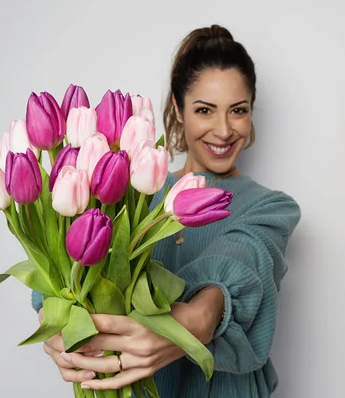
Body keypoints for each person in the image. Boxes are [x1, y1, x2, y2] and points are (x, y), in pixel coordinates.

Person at [32, 24, 301, 397]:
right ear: (178, 108)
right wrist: (57, 325)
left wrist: (197, 319)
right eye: (205, 110)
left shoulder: (271, 207)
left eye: (237, 111)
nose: (223, 130)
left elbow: (246, 255)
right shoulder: (124, 192)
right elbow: (64, 272)